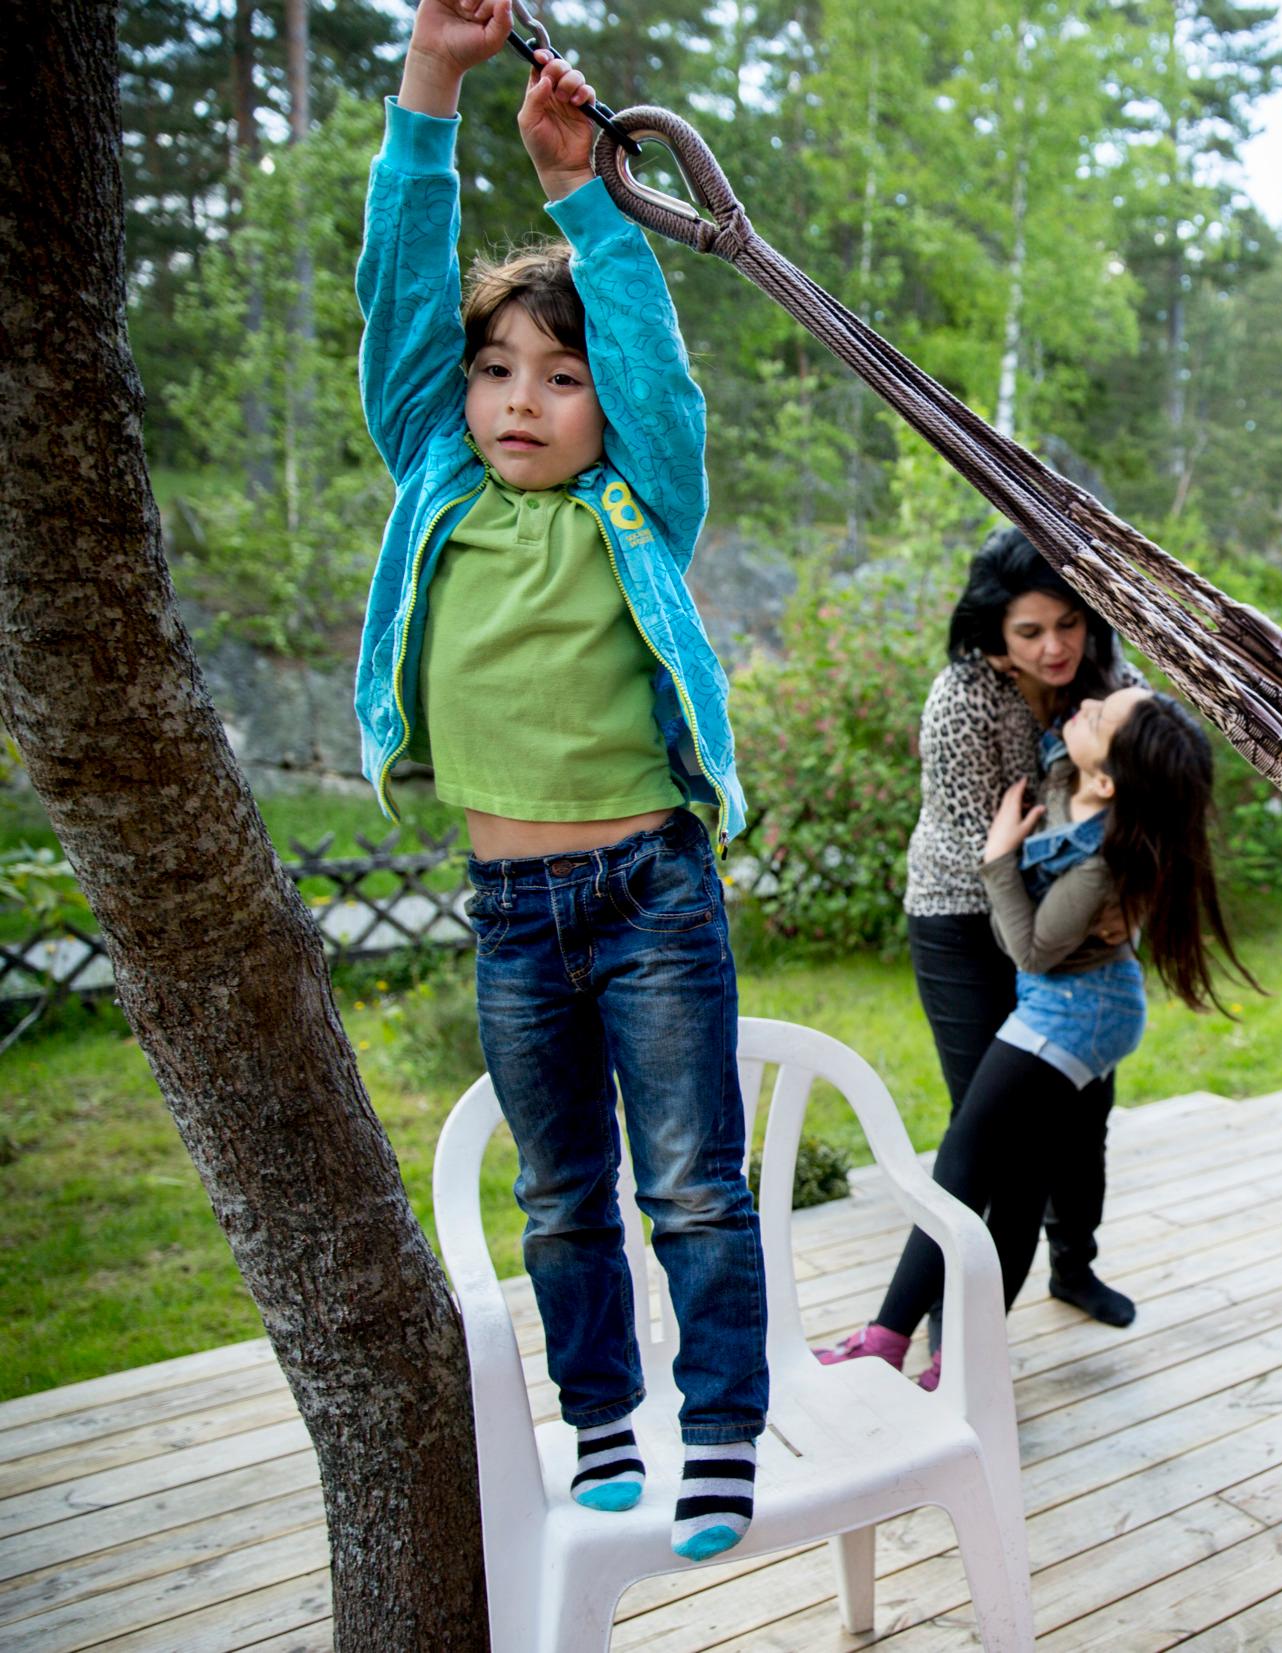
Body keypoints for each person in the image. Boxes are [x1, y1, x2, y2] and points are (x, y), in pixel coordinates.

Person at [354, 0, 762, 1561]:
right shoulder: (441, 480)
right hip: (513, 909)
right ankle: (605, 1419)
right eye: (497, 370)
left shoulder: (637, 502)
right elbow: (402, 302)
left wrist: (583, 195)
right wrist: (432, 82)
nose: (520, 398)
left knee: (695, 1191)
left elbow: (656, 368)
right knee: (563, 1197)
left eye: (559, 377)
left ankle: (717, 1426)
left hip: (652, 890)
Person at [821, 686, 1259, 1389]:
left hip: (1073, 1013)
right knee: (1020, 1184)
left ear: (1110, 779)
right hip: (1075, 1003)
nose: (1084, 703)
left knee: (963, 1162)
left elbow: (1028, 948)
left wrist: (998, 858)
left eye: (1101, 715)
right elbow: (1078, 748)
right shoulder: (1078, 780)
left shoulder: (1095, 870)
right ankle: (960, 1361)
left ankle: (888, 1338)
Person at [904, 527, 1148, 1329]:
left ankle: (1073, 1264)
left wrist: (1121, 893)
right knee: (993, 1121)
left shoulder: (1111, 688)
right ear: (993, 634)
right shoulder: (963, 699)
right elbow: (997, 850)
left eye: (1069, 624)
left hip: (1074, 912)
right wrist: (1090, 888)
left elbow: (1152, 803)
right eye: (1031, 632)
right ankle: (952, 1324)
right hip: (969, 912)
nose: (1055, 648)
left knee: (1084, 1108)